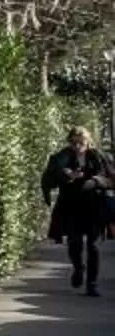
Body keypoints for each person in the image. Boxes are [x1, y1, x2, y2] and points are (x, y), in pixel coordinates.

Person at [40, 126, 111, 295]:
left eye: (81, 142)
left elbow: (110, 177)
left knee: (93, 245)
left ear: (88, 141)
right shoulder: (61, 157)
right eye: (74, 142)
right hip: (70, 205)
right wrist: (67, 176)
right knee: (74, 243)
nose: (78, 145)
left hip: (93, 205)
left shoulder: (98, 157)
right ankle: (78, 268)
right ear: (70, 142)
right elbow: (50, 178)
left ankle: (92, 284)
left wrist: (96, 180)